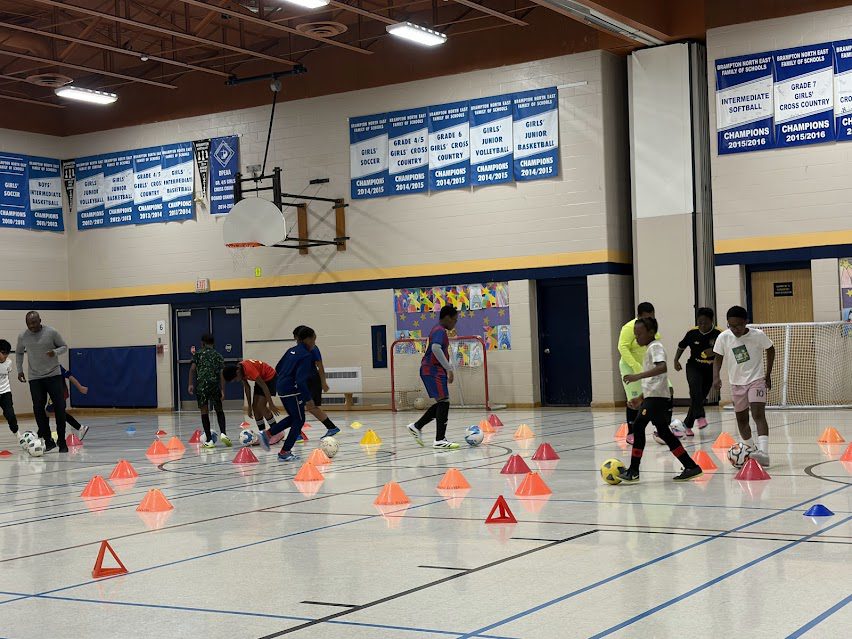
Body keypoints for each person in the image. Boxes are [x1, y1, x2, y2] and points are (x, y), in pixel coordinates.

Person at [619, 317, 703, 483]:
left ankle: (633, 471)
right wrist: (640, 398)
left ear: (651, 332)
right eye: (635, 334)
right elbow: (653, 382)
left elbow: (662, 367)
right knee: (664, 433)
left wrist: (637, 376)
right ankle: (691, 466)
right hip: (654, 398)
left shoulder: (655, 347)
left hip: (657, 400)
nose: (636, 338)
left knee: (638, 425)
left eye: (639, 334)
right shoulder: (649, 349)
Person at [713, 306, 774, 467]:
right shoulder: (724, 337)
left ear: (746, 322)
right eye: (731, 326)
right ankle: (752, 449)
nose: (735, 329)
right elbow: (717, 358)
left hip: (756, 380)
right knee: (741, 419)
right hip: (736, 384)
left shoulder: (758, 335)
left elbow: (771, 349)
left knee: (758, 414)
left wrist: (767, 374)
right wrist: (716, 377)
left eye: (738, 325)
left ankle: (764, 452)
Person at [258, 326, 319, 462]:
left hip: (282, 387)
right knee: (299, 420)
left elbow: (278, 367)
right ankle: (285, 451)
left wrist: (285, 379)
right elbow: (301, 380)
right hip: (293, 390)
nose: (314, 343)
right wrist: (308, 399)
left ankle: (268, 434)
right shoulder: (306, 355)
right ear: (307, 339)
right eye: (313, 340)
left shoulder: (291, 350)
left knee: (294, 418)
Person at [407, 304, 461, 450]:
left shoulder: (438, 330)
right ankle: (439, 439)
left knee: (443, 402)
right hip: (432, 370)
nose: (455, 323)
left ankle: (417, 426)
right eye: (454, 320)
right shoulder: (439, 331)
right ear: (447, 318)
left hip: (432, 370)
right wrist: (449, 368)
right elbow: (435, 348)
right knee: (444, 402)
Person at [15, 312, 69, 453]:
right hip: (35, 377)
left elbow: (64, 346)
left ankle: (62, 441)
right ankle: (48, 440)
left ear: (40, 320)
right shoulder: (23, 336)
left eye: (34, 322)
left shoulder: (51, 332)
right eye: (29, 323)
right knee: (38, 409)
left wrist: (54, 352)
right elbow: (19, 352)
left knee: (59, 407)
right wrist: (19, 370)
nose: (32, 326)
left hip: (53, 375)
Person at [674, 307, 721, 436]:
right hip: (693, 367)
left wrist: (713, 352)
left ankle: (687, 425)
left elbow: (724, 351)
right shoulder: (692, 333)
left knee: (699, 398)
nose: (702, 325)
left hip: (710, 369)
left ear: (712, 321)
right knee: (695, 389)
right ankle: (700, 416)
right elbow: (681, 346)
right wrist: (676, 360)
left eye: (705, 322)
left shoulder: (719, 334)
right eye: (700, 322)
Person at [617, 302, 656, 445]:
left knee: (665, 393)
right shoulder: (628, 328)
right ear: (639, 316)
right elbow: (622, 347)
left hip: (647, 366)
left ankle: (662, 429)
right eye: (646, 317)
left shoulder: (653, 328)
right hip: (630, 367)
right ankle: (631, 432)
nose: (649, 320)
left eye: (651, 317)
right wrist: (635, 366)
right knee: (634, 400)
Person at [292, 326, 340, 439]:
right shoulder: (299, 349)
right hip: (303, 381)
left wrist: (323, 382)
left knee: (311, 407)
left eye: (296, 337)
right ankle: (331, 427)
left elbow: (320, 365)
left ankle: (331, 427)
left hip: (312, 381)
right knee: (302, 407)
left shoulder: (313, 348)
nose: (296, 340)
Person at [188, 333, 231, 449]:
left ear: (202, 343)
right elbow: (222, 374)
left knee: (204, 411)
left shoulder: (198, 354)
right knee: (219, 410)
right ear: (213, 343)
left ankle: (209, 440)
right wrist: (222, 390)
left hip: (201, 386)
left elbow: (192, 369)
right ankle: (223, 433)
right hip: (214, 385)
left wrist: (190, 384)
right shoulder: (218, 355)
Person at [223, 359, 279, 433]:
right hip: (261, 379)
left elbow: (264, 386)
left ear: (237, 372)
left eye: (235, 379)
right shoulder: (240, 370)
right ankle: (262, 433)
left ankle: (277, 431)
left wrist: (271, 404)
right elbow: (247, 388)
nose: (237, 381)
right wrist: (249, 407)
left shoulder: (249, 369)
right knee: (254, 407)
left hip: (270, 377)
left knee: (261, 406)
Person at [46, 366, 90, 440]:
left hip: (61, 392)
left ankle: (42, 434)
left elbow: (69, 376)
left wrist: (80, 387)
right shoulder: (45, 367)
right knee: (53, 412)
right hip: (55, 393)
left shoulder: (56, 366)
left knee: (51, 412)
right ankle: (81, 428)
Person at [0, 340, 19, 436]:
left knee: (10, 415)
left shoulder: (9, 362)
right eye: (3, 353)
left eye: (7, 354)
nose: (5, 356)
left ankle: (17, 435)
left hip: (5, 392)